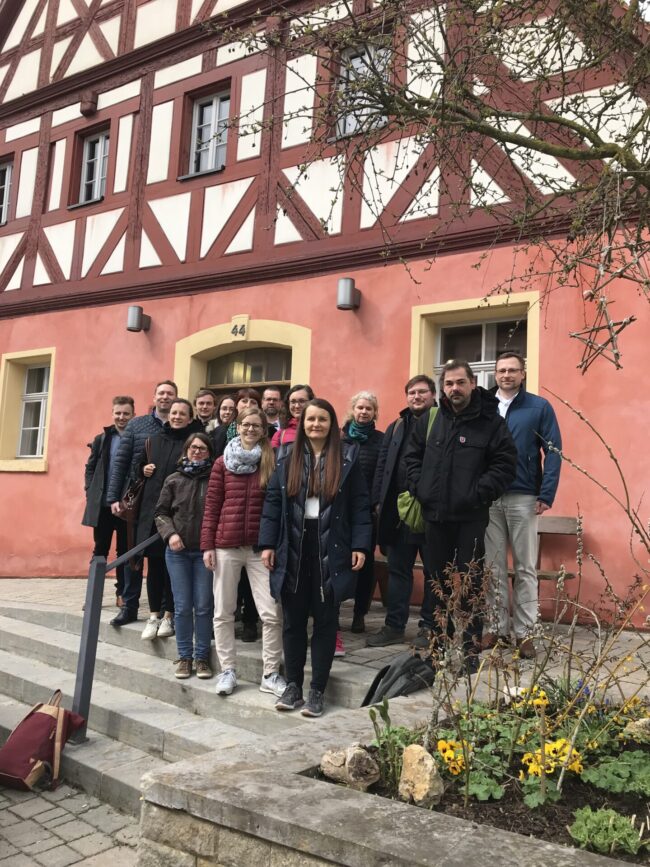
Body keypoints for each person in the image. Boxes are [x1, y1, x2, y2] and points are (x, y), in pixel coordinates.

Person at [259, 399, 371, 717]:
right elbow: (273, 504)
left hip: (332, 547)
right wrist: (267, 544)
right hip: (294, 545)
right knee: (293, 621)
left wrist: (360, 545)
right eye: (311, 419)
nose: (316, 424)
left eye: (322, 419)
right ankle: (293, 686)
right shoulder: (285, 456)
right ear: (303, 423)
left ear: (331, 423)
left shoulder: (347, 457)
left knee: (325, 621)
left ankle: (317, 690)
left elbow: (360, 505)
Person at [404, 360, 517, 672]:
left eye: (460, 382)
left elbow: (505, 464)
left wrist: (478, 493)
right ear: (443, 388)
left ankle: (468, 651)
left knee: (471, 584)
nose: (454, 388)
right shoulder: (431, 419)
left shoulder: (490, 421)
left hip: (471, 518)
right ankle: (439, 647)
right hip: (435, 516)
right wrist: (420, 488)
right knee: (437, 584)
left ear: (472, 384)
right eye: (449, 384)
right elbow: (411, 458)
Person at [200, 407, 285, 698]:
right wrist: (207, 545)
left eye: (256, 426)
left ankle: (270, 674)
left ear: (264, 430)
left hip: (261, 549)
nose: (250, 429)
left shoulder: (271, 461)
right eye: (245, 424)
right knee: (223, 612)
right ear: (237, 427)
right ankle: (227, 670)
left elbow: (277, 507)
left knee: (271, 614)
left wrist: (274, 543)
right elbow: (212, 505)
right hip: (226, 546)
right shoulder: (222, 462)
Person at [482, 352, 562, 659]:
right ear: (495, 374)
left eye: (513, 370)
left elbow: (553, 451)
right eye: (502, 370)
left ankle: (525, 633)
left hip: (524, 495)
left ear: (522, 374)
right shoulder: (484, 406)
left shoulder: (539, 407)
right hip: (489, 497)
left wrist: (546, 493)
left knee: (525, 568)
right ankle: (496, 627)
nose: (507, 375)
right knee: (493, 567)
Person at [366, 375, 438, 648]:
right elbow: (383, 465)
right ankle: (394, 626)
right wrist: (378, 501)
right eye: (412, 392)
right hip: (397, 511)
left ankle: (429, 628)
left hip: (431, 511)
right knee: (398, 570)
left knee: (433, 573)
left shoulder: (443, 422)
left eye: (422, 392)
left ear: (433, 395)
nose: (416, 397)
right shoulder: (396, 426)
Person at [108, 380, 178, 626]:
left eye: (170, 394)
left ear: (176, 398)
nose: (165, 397)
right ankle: (129, 606)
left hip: (170, 504)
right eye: (161, 393)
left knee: (164, 559)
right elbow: (121, 462)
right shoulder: (137, 425)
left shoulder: (180, 426)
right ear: (155, 397)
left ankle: (166, 611)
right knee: (133, 556)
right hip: (139, 501)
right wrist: (114, 497)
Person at [135, 399, 203, 641]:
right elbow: (137, 469)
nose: (176, 417)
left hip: (181, 518)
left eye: (182, 413)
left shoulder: (194, 442)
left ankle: (169, 615)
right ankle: (153, 615)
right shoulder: (153, 441)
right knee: (154, 566)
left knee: (173, 569)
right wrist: (143, 469)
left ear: (190, 417)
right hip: (155, 514)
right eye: (174, 413)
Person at [155, 432, 215, 679]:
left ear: (209, 452)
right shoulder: (174, 479)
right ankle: (184, 657)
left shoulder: (215, 479)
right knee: (181, 607)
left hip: (204, 553)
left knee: (203, 606)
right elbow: (160, 513)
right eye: (193, 447)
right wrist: (170, 534)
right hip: (177, 553)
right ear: (186, 451)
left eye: (202, 448)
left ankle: (202, 658)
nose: (197, 451)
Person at [82, 396, 135, 607]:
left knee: (124, 552)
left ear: (133, 415)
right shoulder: (102, 439)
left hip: (125, 507)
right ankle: (92, 597)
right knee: (100, 550)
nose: (121, 417)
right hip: (103, 506)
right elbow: (90, 468)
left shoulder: (137, 439)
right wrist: (90, 491)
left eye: (126, 413)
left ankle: (121, 594)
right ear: (112, 413)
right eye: (118, 413)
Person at [341, 391, 384, 635]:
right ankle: (332, 611)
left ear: (374, 412)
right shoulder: (339, 438)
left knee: (365, 565)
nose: (364, 412)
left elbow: (382, 475)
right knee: (336, 560)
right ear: (353, 410)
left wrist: (376, 504)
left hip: (367, 513)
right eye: (360, 407)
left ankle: (359, 614)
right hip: (340, 510)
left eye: (369, 408)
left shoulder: (381, 440)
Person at [270, 384, 314, 448]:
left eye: (302, 401)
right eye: (293, 402)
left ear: (311, 402)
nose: (297, 406)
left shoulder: (318, 429)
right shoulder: (280, 435)